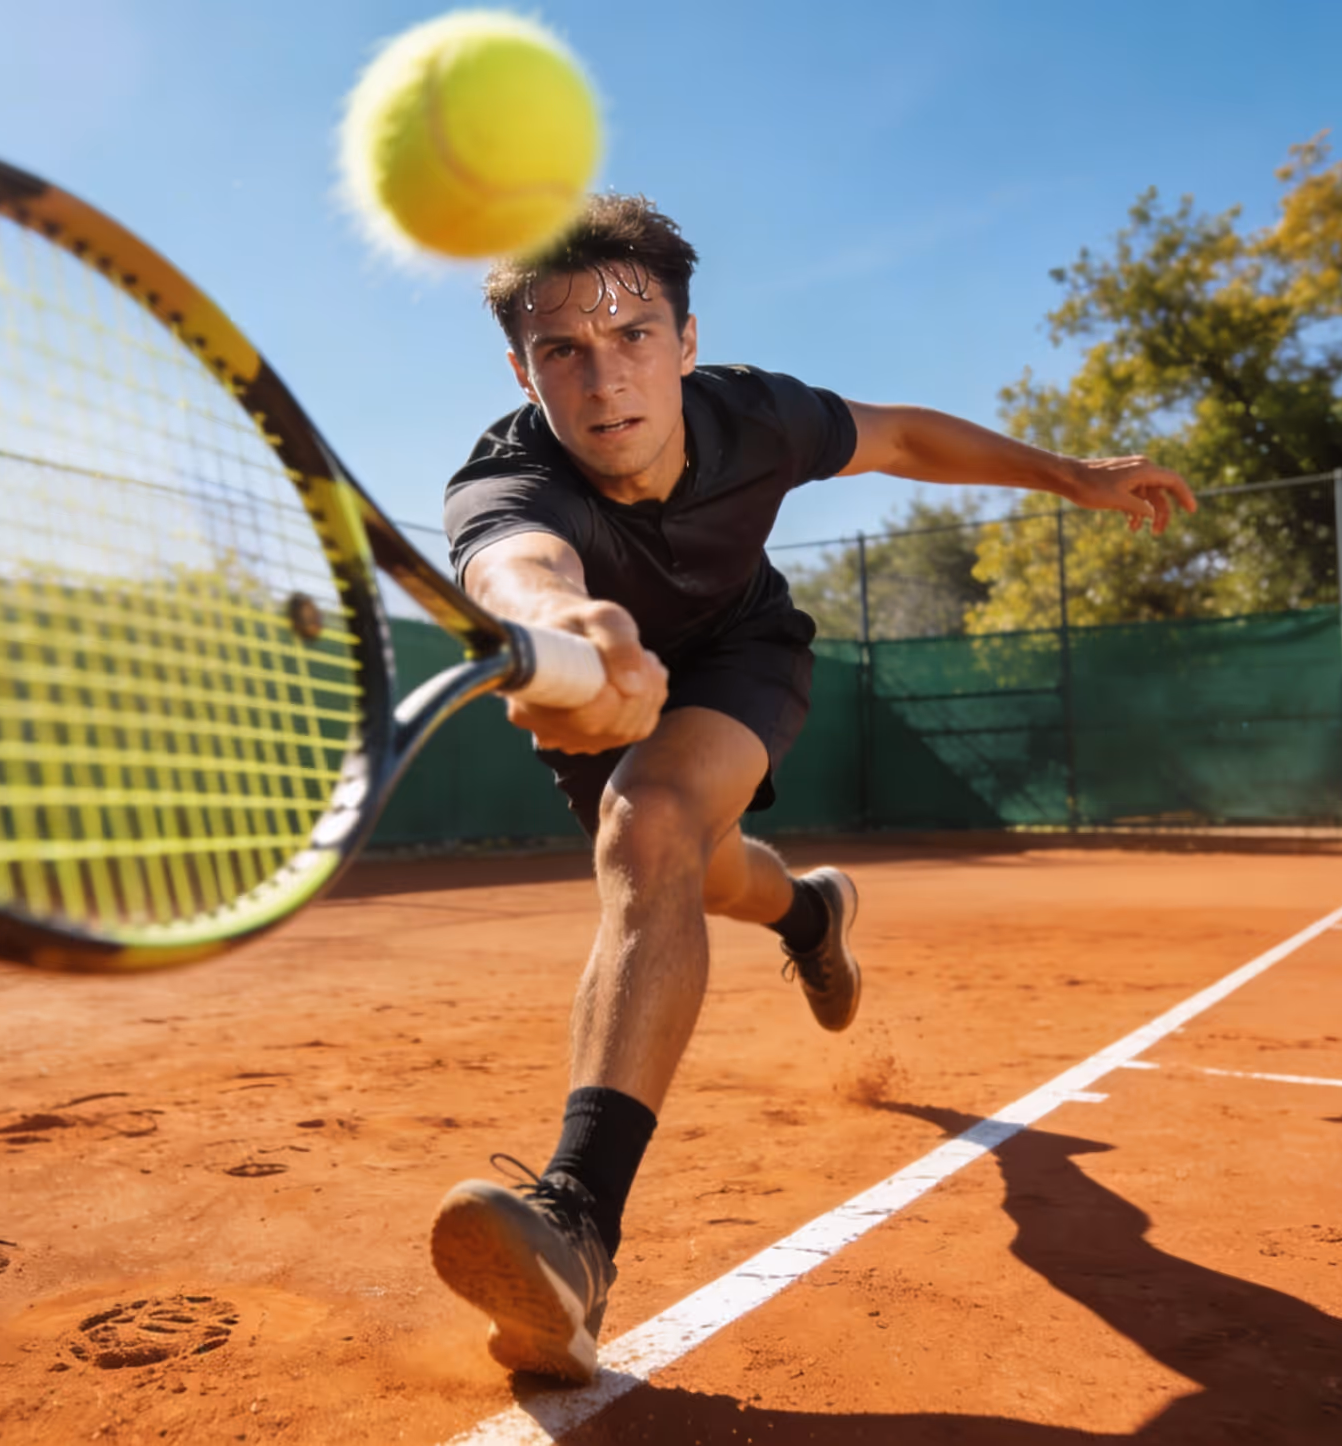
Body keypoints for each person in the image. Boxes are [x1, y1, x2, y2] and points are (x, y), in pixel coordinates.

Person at [427, 195, 1196, 1385]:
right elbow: (516, 568)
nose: (605, 377)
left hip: (742, 653)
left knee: (654, 824)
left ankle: (577, 1226)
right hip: (596, 681)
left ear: (687, 342)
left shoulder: (757, 415)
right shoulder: (502, 482)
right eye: (563, 349)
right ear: (524, 373)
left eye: (634, 336)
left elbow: (901, 440)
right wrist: (566, 629)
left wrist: (1065, 476)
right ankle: (809, 912)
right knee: (699, 871)